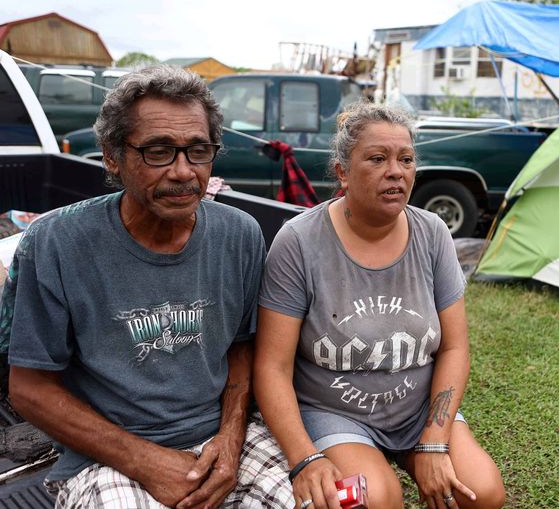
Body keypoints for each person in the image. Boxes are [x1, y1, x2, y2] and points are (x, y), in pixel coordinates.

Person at [4, 65, 293, 508]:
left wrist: (231, 437)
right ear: (112, 156)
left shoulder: (240, 235)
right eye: (159, 151)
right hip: (107, 457)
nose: (183, 172)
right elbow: (28, 387)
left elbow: (241, 345)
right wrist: (146, 461)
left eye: (198, 151)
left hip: (220, 440)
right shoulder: (58, 243)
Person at [254, 102, 505, 509]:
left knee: (482, 493)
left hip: (417, 408)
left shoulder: (433, 233)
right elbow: (271, 366)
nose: (396, 171)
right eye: (377, 158)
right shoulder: (299, 242)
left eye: (406, 159)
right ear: (342, 171)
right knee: (376, 499)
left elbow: (455, 348)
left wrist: (435, 442)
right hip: (334, 412)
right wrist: (305, 458)